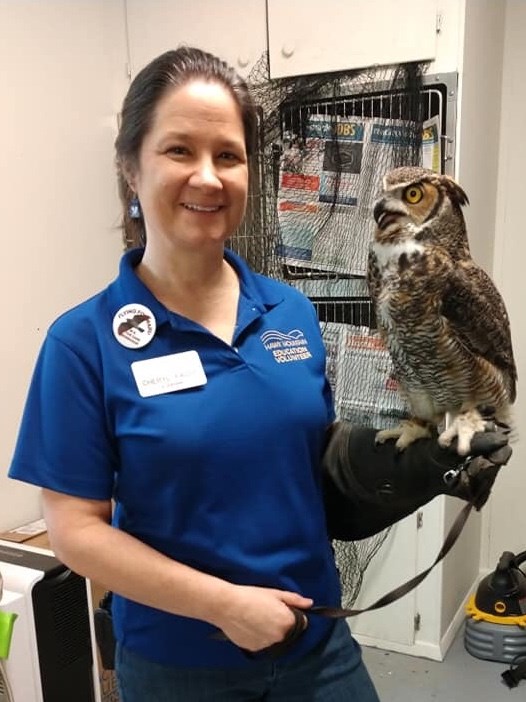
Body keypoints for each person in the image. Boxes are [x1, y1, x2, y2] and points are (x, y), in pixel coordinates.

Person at [8, 46, 511, 702]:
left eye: (229, 155)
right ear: (131, 167)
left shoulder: (289, 312)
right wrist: (223, 605)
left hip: (316, 645)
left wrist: (402, 472)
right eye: (179, 151)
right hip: (180, 665)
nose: (208, 177)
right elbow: (75, 531)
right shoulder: (84, 343)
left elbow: (307, 473)